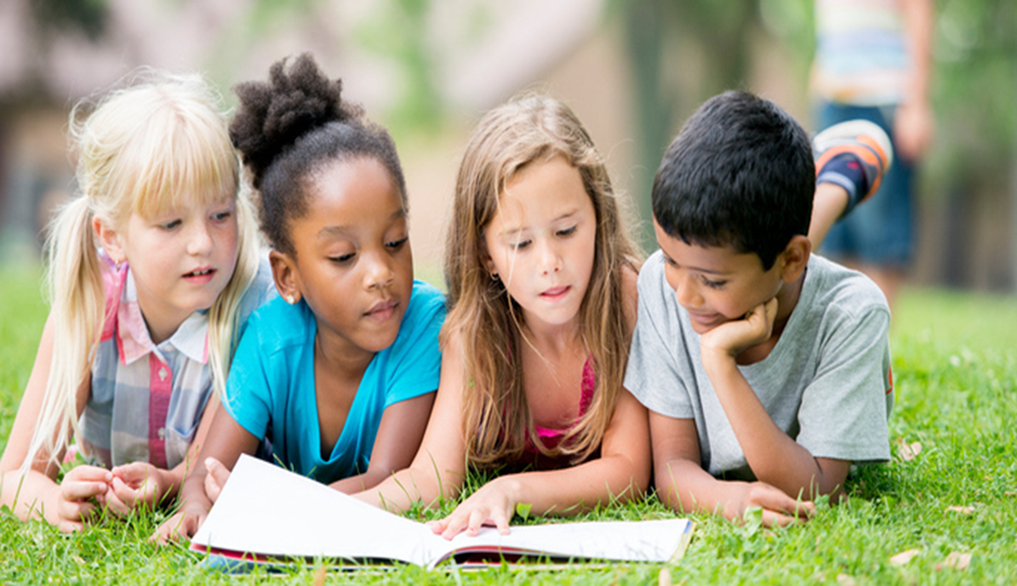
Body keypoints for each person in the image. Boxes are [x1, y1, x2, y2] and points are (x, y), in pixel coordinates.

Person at [154, 54, 445, 542]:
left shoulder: (422, 326)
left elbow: (387, 482)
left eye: (395, 242)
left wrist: (270, 505)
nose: (380, 273)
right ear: (287, 276)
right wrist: (195, 504)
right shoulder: (270, 339)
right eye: (343, 256)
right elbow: (206, 471)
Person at [353, 94, 650, 539]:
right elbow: (433, 479)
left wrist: (512, 491)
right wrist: (316, 510)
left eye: (566, 230)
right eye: (520, 244)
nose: (549, 260)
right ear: (486, 254)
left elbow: (628, 470)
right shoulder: (474, 334)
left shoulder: (625, 300)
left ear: (599, 219)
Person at [0, 71, 273, 533]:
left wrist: (168, 483)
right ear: (112, 236)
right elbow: (15, 476)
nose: (202, 243)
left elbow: (210, 466)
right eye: (171, 224)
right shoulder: (88, 308)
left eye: (220, 214)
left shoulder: (255, 305)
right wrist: (54, 503)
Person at [625, 91, 895, 528]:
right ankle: (834, 178)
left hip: (795, 267)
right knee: (750, 259)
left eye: (711, 281)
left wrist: (721, 366)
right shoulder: (660, 281)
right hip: (771, 250)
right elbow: (672, 466)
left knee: (779, 262)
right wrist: (729, 500)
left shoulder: (852, 314)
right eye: (672, 260)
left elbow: (820, 487)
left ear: (792, 259)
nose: (684, 297)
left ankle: (833, 181)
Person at [811, 0, 935, 309]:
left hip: (883, 96)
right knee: (838, 230)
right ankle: (847, 337)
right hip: (833, 97)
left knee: (881, 233)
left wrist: (916, 104)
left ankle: (879, 341)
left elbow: (919, 18)